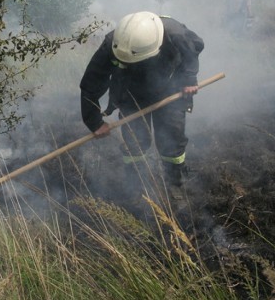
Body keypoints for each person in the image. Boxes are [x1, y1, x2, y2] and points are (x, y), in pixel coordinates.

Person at [79, 12, 204, 200]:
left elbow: (193, 49)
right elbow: (91, 84)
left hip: (170, 91)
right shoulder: (113, 44)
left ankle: (175, 182)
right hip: (131, 95)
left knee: (172, 137)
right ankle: (136, 186)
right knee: (135, 142)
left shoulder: (174, 34)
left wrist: (189, 78)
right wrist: (94, 121)